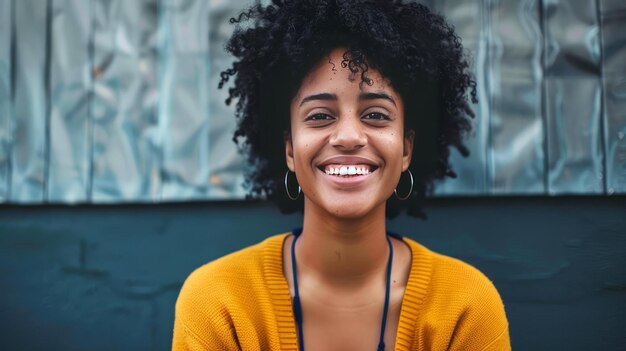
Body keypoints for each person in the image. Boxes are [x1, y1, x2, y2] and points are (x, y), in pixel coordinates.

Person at [172, 1, 510, 350]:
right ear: (289, 149)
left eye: (376, 115)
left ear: (406, 150)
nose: (348, 137)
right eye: (319, 116)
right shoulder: (218, 305)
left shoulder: (465, 309)